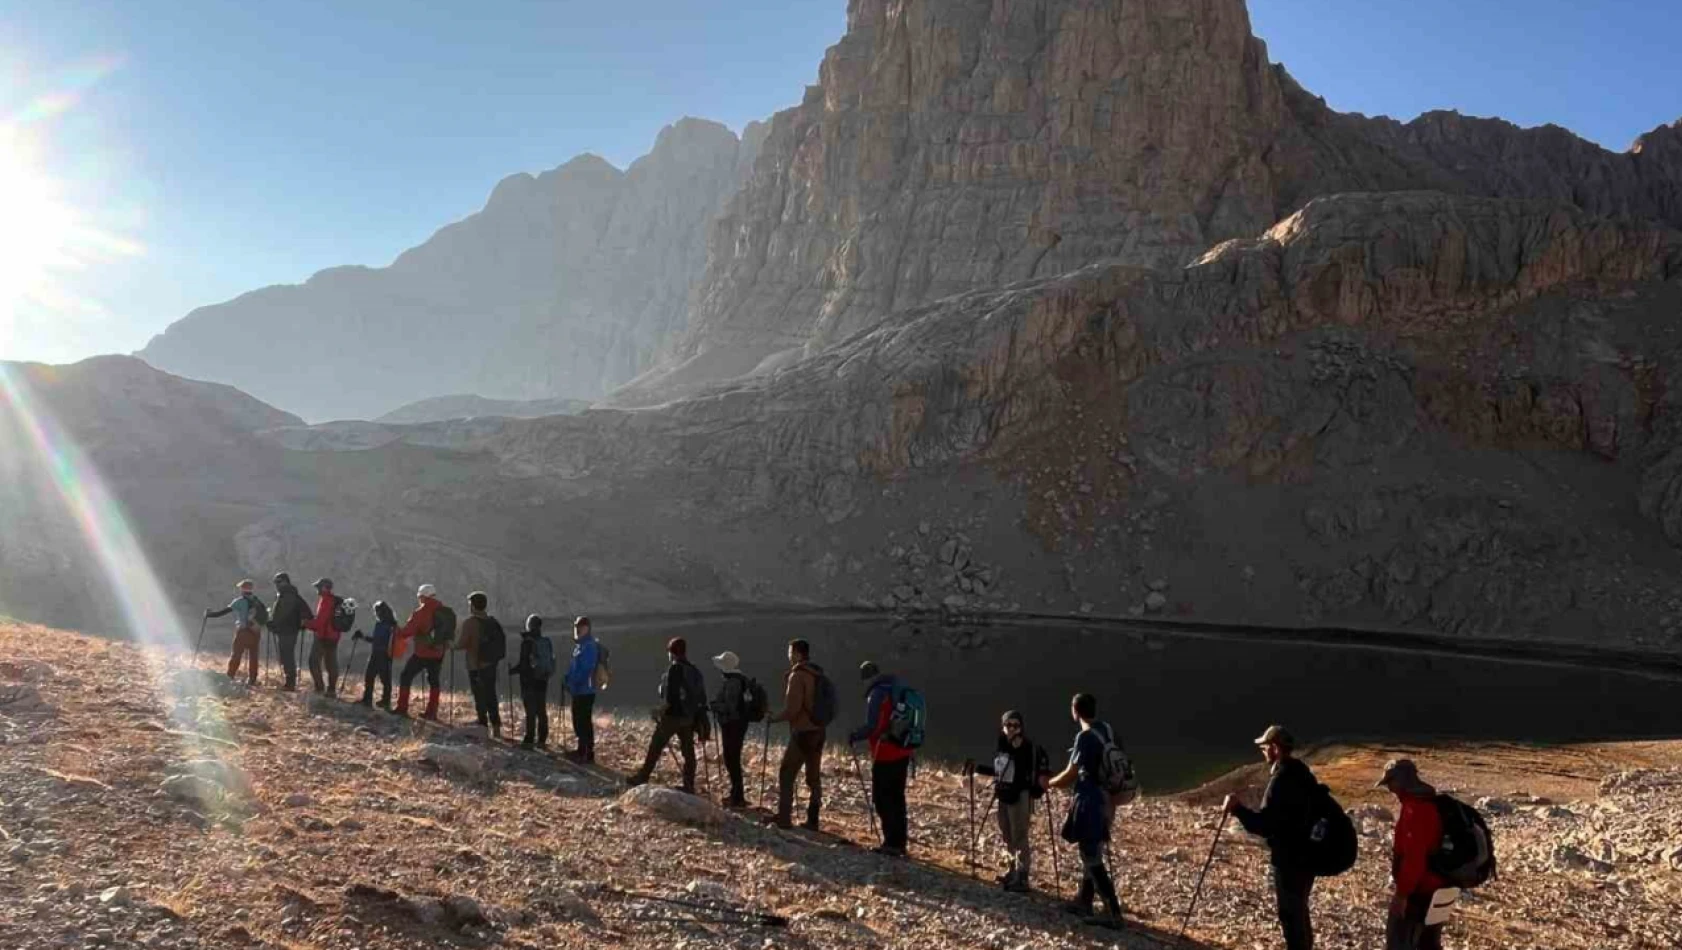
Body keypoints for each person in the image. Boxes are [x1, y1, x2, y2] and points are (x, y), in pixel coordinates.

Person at [1224, 725, 1320, 950]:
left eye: (1265, 747)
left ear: (1275, 748)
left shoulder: (1281, 780)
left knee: (1290, 914)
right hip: (1308, 856)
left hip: (1289, 859)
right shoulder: (1302, 773)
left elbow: (1265, 825)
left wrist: (1238, 809)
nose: (1264, 752)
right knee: (1300, 910)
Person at [1046, 693, 1124, 930]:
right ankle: (1084, 900)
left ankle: (1112, 911)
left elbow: (1071, 773)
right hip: (1107, 798)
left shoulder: (1085, 737)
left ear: (1075, 711)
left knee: (1090, 854)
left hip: (1089, 799)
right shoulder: (1107, 730)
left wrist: (1049, 783)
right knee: (1094, 850)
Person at [965, 710, 1052, 891]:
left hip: (1020, 795)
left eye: (1016, 725)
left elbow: (1025, 771)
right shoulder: (1002, 743)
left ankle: (1022, 877)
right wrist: (978, 768)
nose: (1012, 729)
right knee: (1007, 834)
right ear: (1003, 726)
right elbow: (1001, 771)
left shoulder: (1027, 746)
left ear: (1021, 727)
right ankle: (1012, 871)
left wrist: (1018, 748)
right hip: (1004, 794)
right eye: (1008, 725)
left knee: (1019, 835)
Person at [1378, 759, 1449, 950]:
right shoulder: (1430, 803)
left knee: (1398, 942)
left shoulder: (1415, 809)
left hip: (1420, 890)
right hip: (1440, 885)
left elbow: (1414, 858)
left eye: (1390, 784)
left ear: (1399, 782)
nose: (1390, 790)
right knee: (1428, 944)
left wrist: (1402, 895)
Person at [848, 660, 913, 856]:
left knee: (882, 798)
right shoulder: (897, 688)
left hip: (885, 752)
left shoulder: (876, 694)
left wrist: (855, 736)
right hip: (903, 750)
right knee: (897, 797)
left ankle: (891, 843)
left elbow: (872, 727)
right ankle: (900, 842)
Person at [626, 637, 706, 792]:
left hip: (672, 717)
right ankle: (689, 785)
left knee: (655, 746)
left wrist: (659, 711)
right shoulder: (694, 670)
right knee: (688, 751)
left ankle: (643, 776)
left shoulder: (675, 669)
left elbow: (671, 697)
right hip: (688, 718)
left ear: (672, 653)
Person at [768, 638, 824, 831]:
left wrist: (773, 719)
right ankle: (813, 820)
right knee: (813, 777)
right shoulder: (817, 673)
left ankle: (784, 818)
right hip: (819, 730)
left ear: (798, 654)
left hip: (803, 732)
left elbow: (792, 709)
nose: (788, 655)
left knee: (786, 773)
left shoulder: (798, 676)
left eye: (790, 652)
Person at [392, 584, 451, 720]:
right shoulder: (446, 612)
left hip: (422, 653)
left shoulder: (420, 612)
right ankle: (431, 712)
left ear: (423, 596)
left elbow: (407, 632)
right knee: (434, 681)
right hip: (438, 652)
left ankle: (402, 707)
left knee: (406, 676)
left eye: (419, 597)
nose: (419, 599)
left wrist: (396, 631)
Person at [455, 591, 505, 739]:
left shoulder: (470, 623)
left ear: (473, 606)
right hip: (491, 664)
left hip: (475, 665)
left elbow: (462, 643)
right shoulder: (492, 621)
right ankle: (496, 727)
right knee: (491, 695)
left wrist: (451, 645)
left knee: (479, 696)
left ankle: (482, 725)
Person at [709, 650, 751, 807]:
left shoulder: (732, 682)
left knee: (731, 759)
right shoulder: (740, 680)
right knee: (733, 758)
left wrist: (715, 706)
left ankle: (737, 796)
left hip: (732, 725)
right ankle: (736, 794)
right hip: (738, 725)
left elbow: (730, 707)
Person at [205, 579, 264, 686]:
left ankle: (230, 676)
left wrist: (210, 614)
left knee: (236, 655)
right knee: (253, 656)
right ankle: (252, 680)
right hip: (255, 632)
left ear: (242, 589)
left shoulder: (239, 601)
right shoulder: (257, 601)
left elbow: (223, 612)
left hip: (243, 632)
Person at [510, 614, 552, 750]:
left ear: (529, 626)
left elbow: (523, 664)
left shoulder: (527, 642)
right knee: (541, 709)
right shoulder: (545, 641)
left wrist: (512, 671)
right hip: (543, 679)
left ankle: (529, 739)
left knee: (531, 711)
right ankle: (542, 738)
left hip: (529, 681)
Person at [563, 616, 600, 763]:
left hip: (585, 690)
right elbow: (575, 667)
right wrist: (567, 678)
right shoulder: (580, 646)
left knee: (583, 721)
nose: (577, 629)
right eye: (576, 626)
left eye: (580, 626)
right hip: (579, 690)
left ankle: (586, 753)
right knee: (578, 720)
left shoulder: (589, 646)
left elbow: (586, 669)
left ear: (587, 628)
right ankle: (582, 750)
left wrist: (573, 682)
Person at [268, 572, 313, 691]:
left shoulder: (288, 595)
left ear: (285, 582)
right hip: (287, 630)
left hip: (288, 631)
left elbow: (283, 614)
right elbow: (307, 612)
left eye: (279, 582)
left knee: (287, 655)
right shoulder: (288, 595)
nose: (277, 585)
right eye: (276, 582)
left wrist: (273, 623)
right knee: (285, 655)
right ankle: (289, 682)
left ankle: (290, 683)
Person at [304, 578, 344, 695]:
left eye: (318, 587)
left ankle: (319, 688)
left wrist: (306, 623)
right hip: (334, 637)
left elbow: (320, 622)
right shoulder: (334, 600)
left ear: (324, 587)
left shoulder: (326, 601)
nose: (317, 589)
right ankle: (331, 690)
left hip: (323, 637)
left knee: (313, 661)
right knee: (331, 663)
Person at [354, 600, 397, 708]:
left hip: (379, 654)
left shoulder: (383, 625)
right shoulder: (391, 625)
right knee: (384, 679)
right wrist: (363, 637)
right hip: (385, 655)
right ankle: (384, 701)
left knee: (371, 677)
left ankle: (368, 700)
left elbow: (376, 640)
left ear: (381, 612)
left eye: (376, 611)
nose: (375, 613)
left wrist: (363, 637)